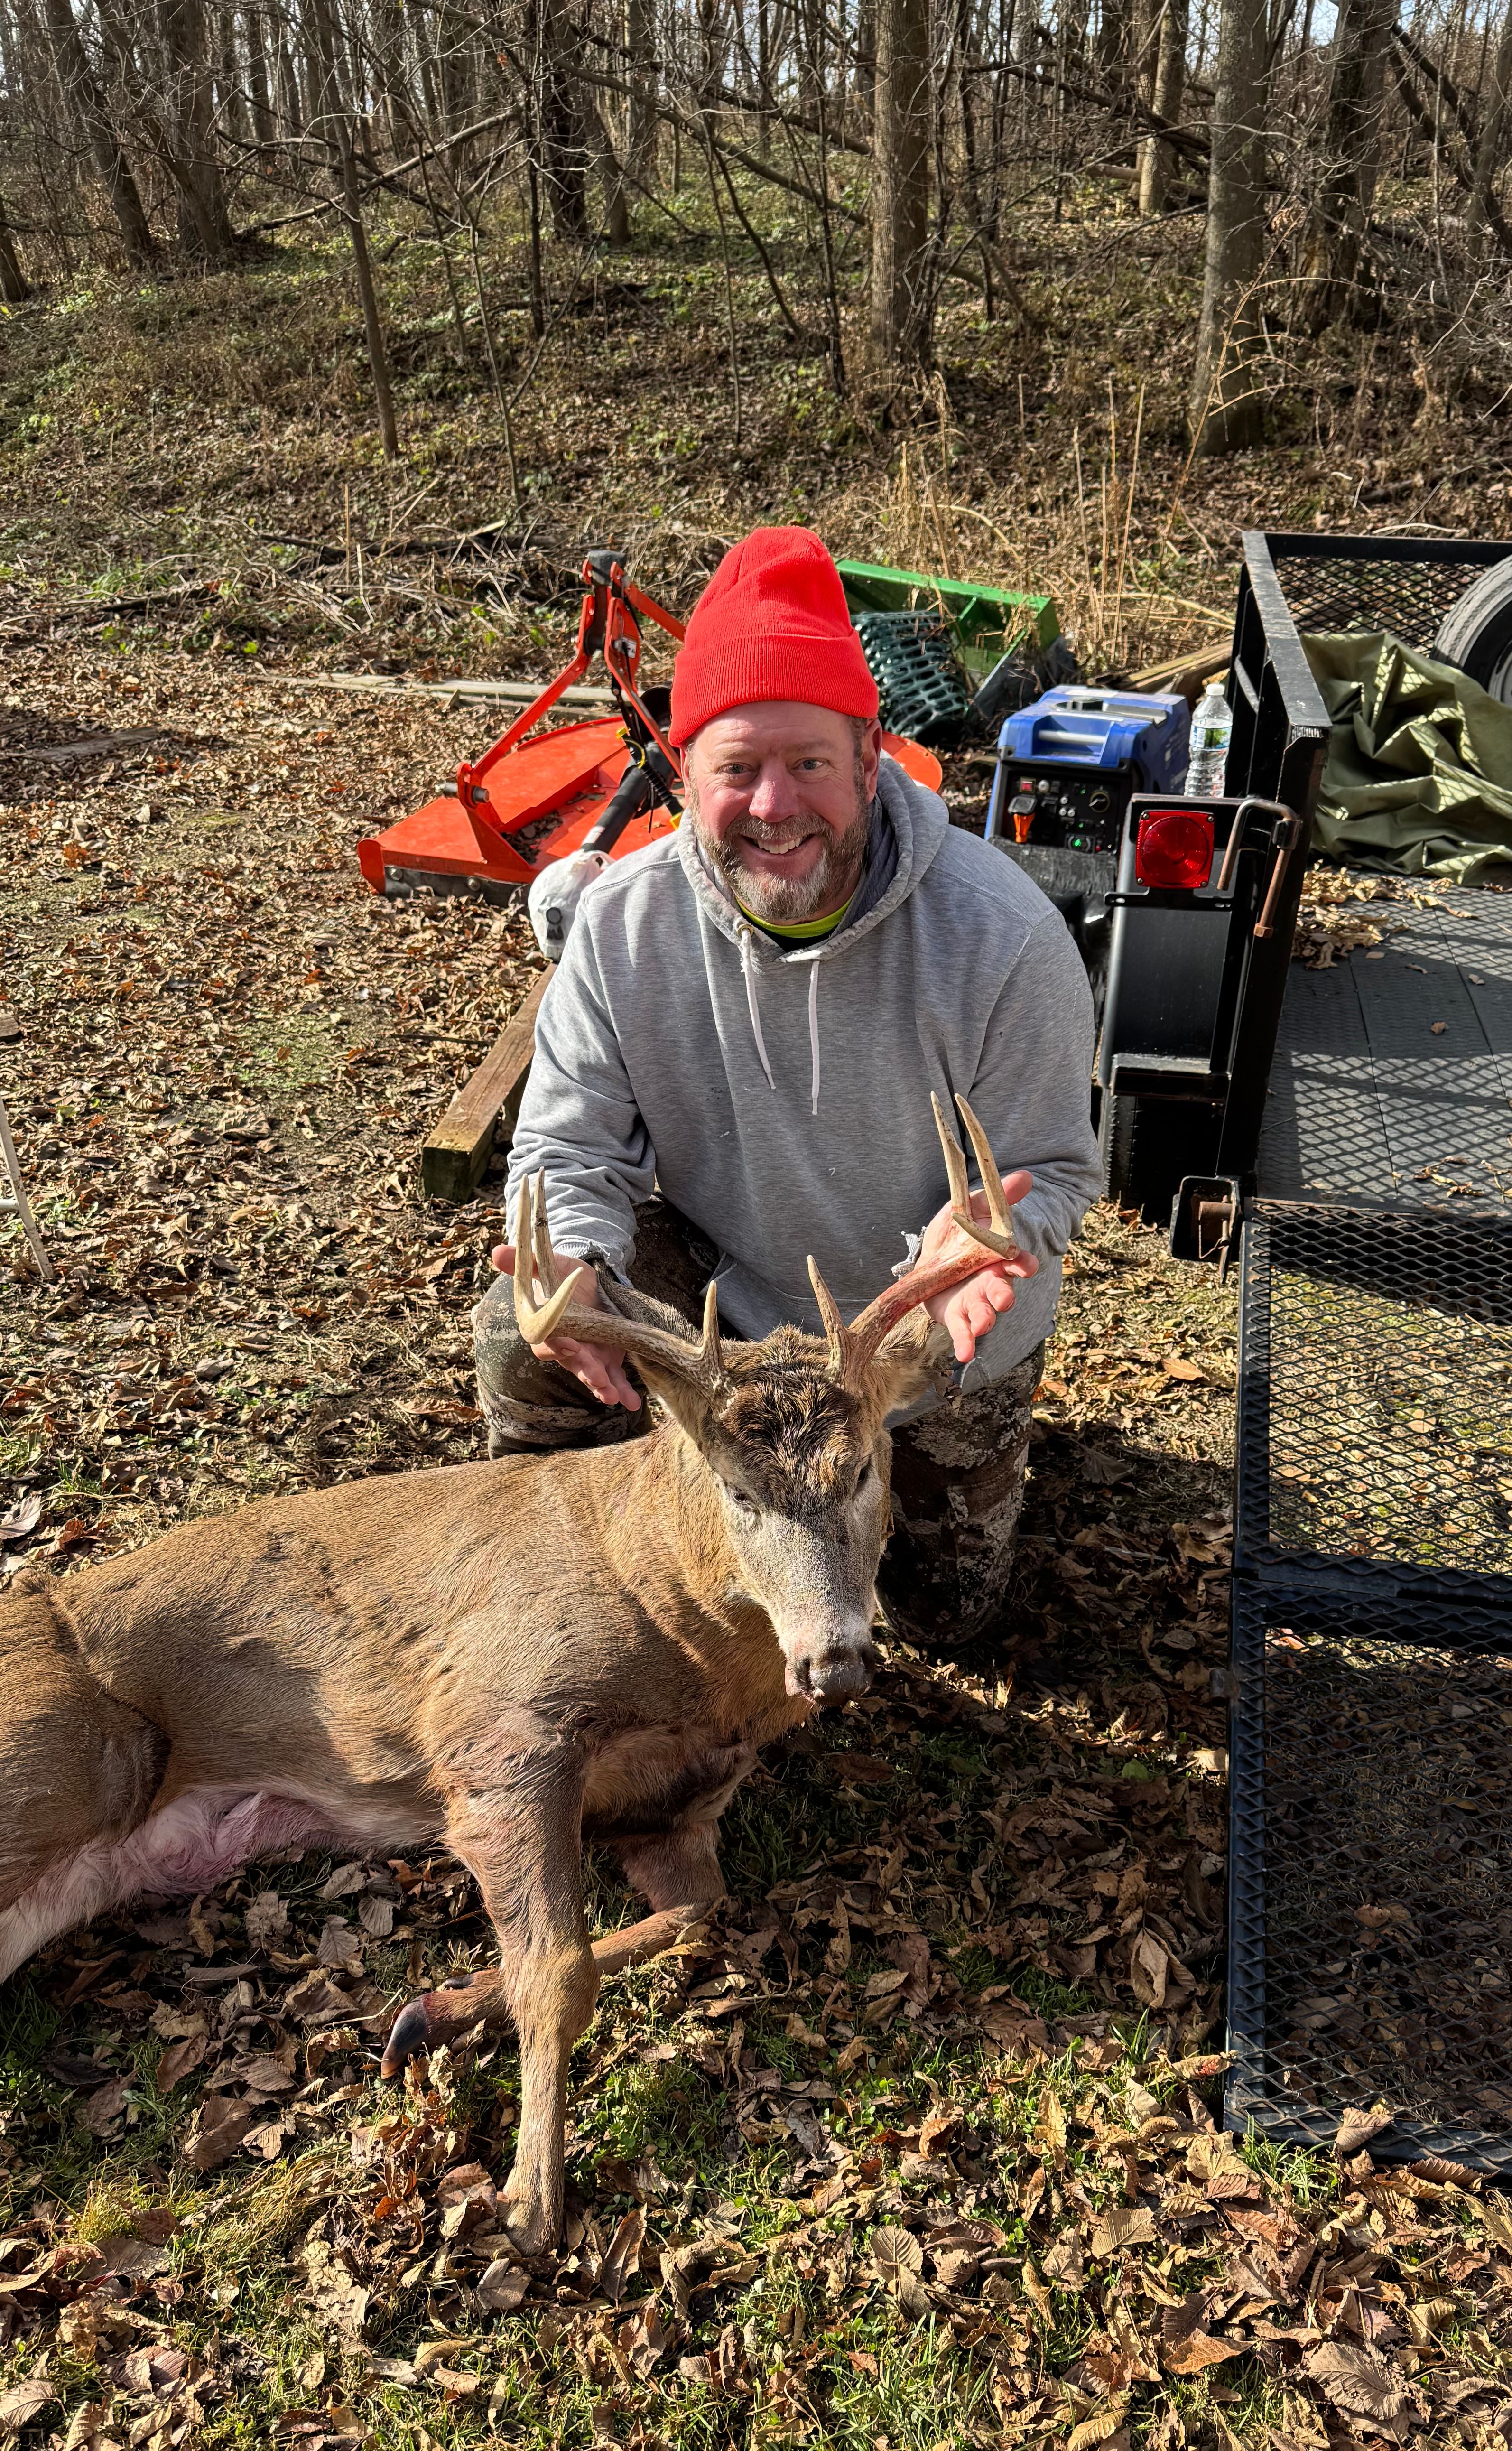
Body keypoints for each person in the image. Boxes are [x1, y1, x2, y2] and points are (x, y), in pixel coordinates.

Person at [472, 526, 1102, 1646]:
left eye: (810, 763)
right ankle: (567, 1563)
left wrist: (981, 1246)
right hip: (734, 1303)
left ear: (871, 760)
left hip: (925, 1332)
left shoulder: (1002, 936)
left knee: (942, 1622)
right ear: (683, 773)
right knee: (525, 1329)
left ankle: (943, 1474)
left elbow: (1052, 1167)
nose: (774, 806)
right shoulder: (621, 928)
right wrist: (573, 1250)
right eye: (736, 769)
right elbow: (568, 1150)